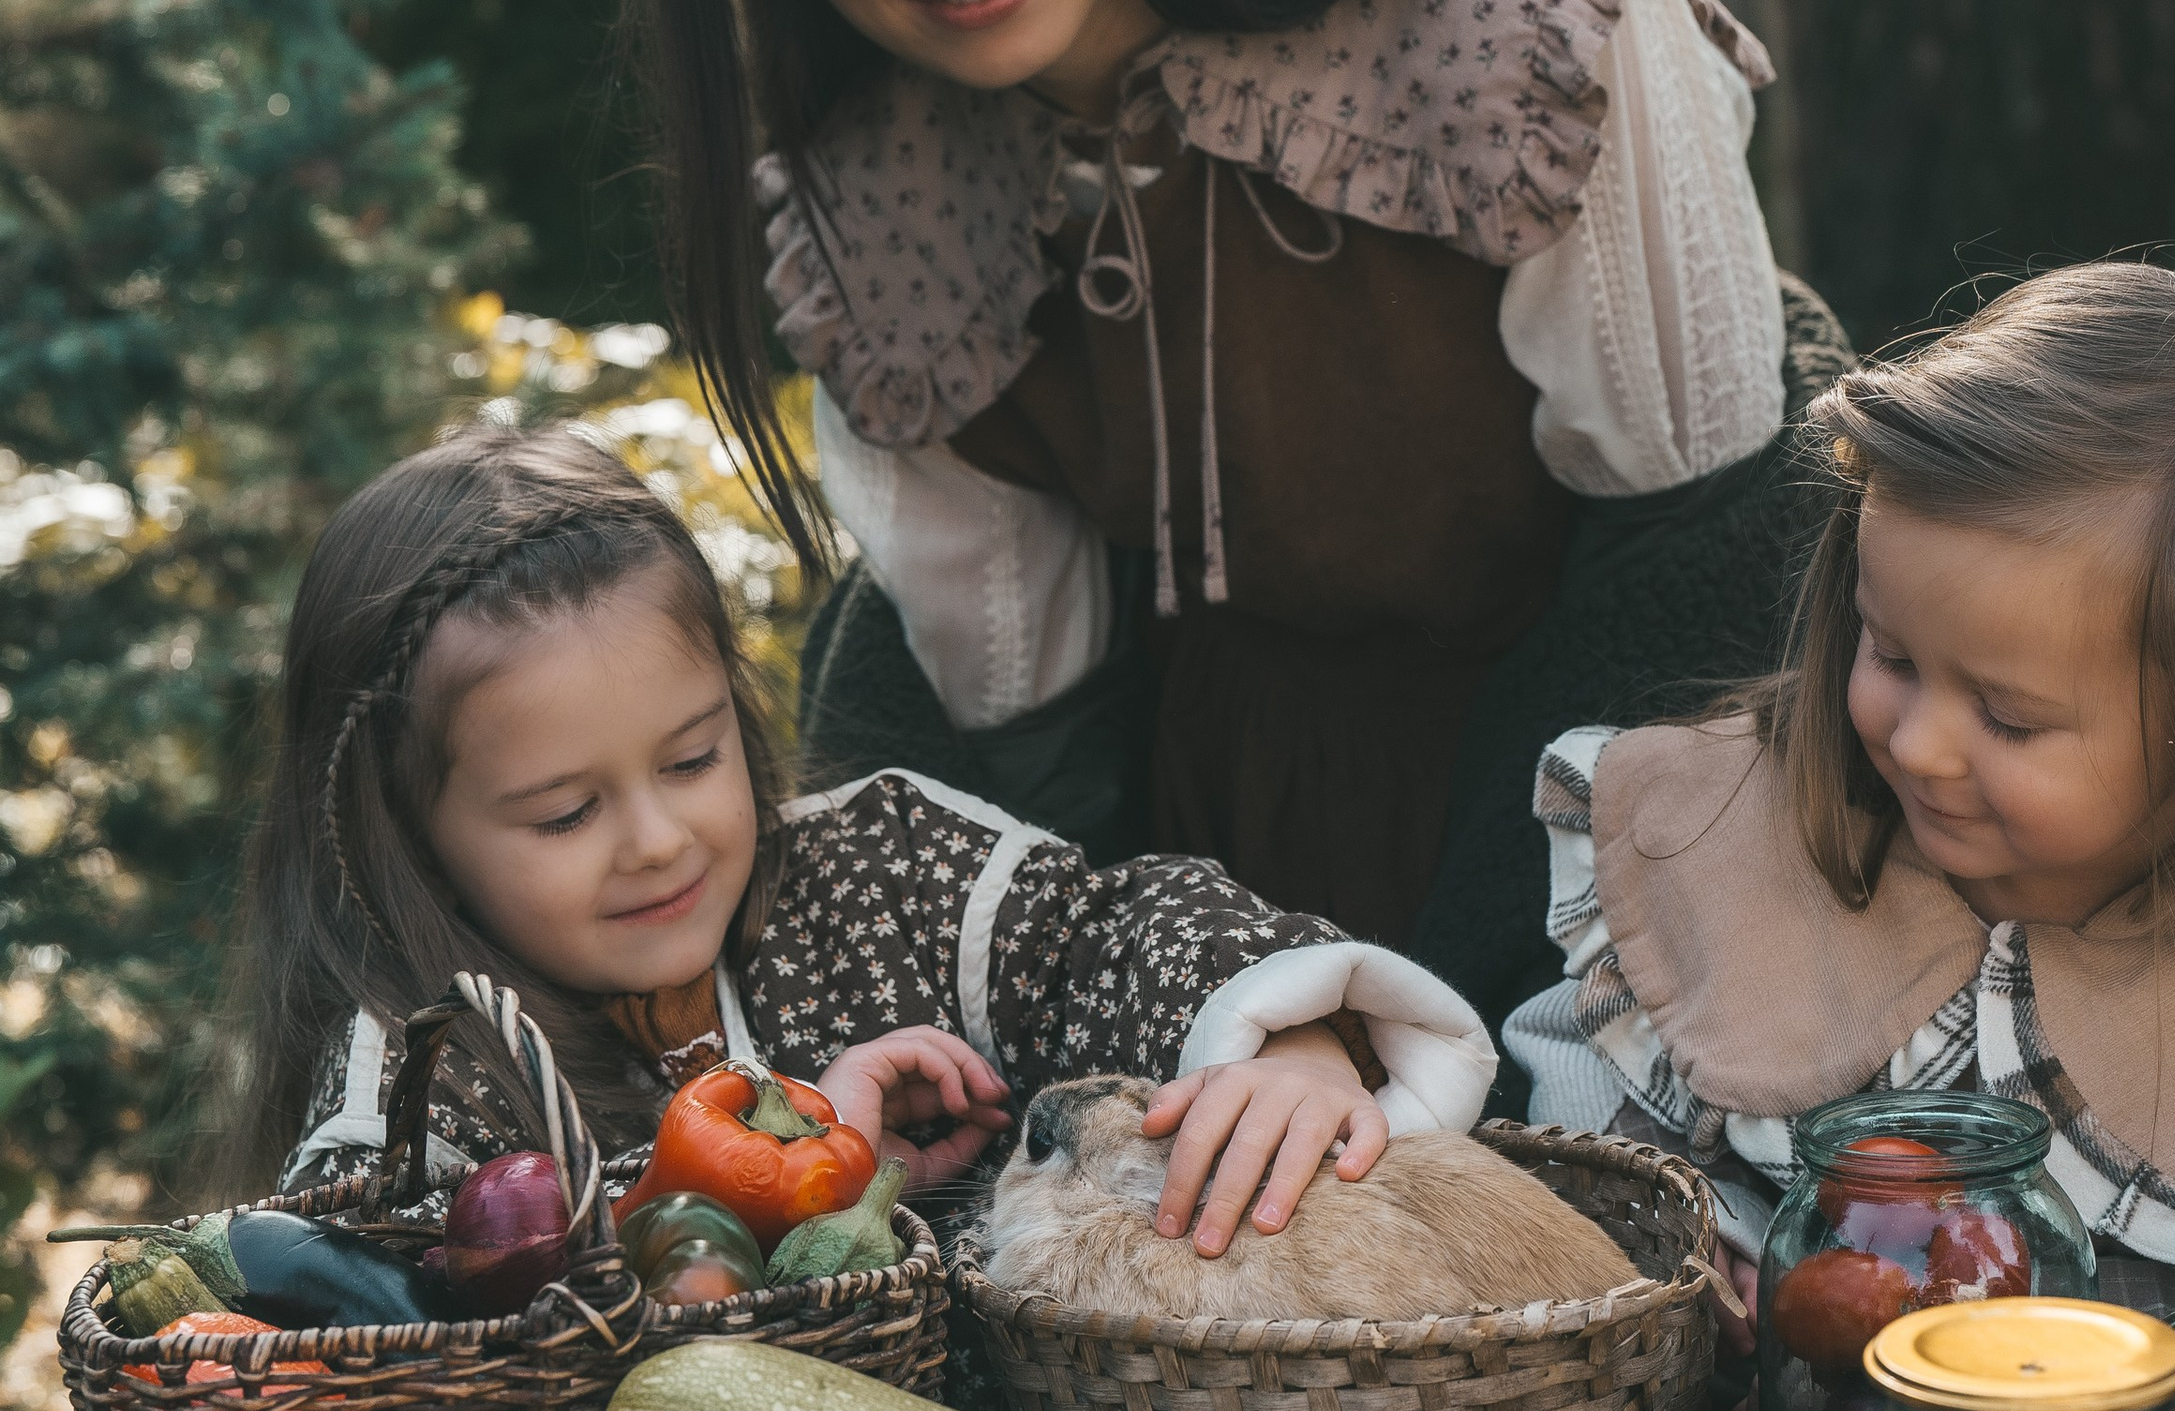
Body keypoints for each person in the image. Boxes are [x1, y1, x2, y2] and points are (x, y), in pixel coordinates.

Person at [626, 0, 1832, 1011]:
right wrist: (1112, 1019)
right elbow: (1007, 734)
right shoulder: (877, 194)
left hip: (1625, 886)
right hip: (1200, 938)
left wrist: (1445, 1021)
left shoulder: (1527, 17)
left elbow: (1703, 587)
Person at [1506, 263, 2175, 1317]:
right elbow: (1593, 1106)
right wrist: (1708, 1231)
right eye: (1891, 655)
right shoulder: (1725, 825)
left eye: (2010, 717)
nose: (1920, 746)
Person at [226, 425, 1494, 1260]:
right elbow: (414, 1313)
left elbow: (1110, 933)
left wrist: (1287, 1042)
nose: (659, 841)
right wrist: (785, 1182)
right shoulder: (425, 1074)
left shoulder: (877, 871)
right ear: (410, 834)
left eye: (693, 759)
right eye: (565, 814)